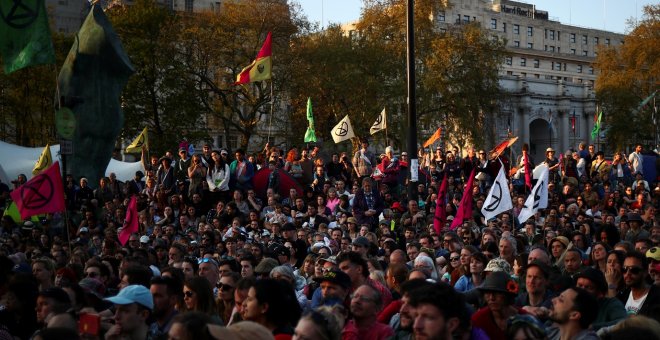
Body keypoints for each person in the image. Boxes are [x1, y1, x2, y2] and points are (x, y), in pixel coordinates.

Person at [472, 271, 525, 340]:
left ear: (507, 296)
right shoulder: (478, 319)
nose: (491, 298)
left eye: (497, 293)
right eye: (488, 294)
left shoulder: (525, 318)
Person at [618, 251, 660, 319]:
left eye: (634, 270)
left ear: (645, 272)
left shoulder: (656, 297)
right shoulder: (623, 294)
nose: (628, 273)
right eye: (624, 269)